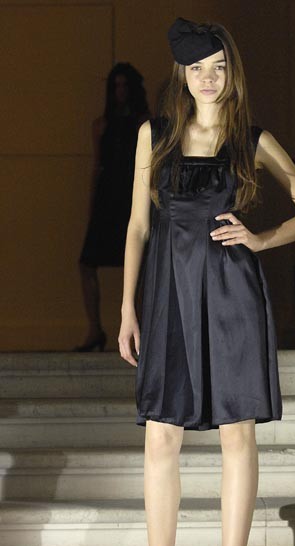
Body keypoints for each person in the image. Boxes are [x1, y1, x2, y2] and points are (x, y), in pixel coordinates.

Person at [118, 17, 295, 546]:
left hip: (232, 293)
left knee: (238, 433)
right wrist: (128, 306)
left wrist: (261, 240)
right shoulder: (154, 134)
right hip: (167, 293)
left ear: (232, 72)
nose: (208, 78)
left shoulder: (250, 139)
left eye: (218, 67)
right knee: (162, 433)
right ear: (182, 74)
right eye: (197, 68)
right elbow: (137, 226)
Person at [74, 63, 150, 352]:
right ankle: (95, 329)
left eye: (125, 85)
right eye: (115, 86)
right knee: (86, 263)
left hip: (133, 196)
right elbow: (97, 166)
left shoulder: (145, 124)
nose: (120, 92)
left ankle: (140, 326)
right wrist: (91, 207)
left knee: (140, 262)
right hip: (108, 198)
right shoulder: (101, 125)